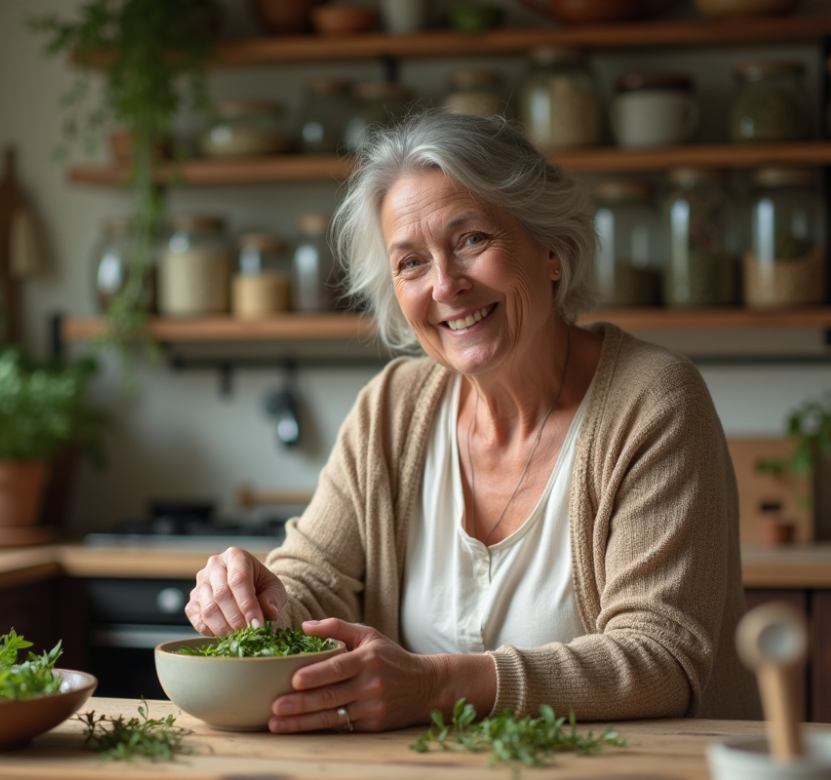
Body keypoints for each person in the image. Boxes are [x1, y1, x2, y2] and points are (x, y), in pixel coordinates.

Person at [185, 111, 760, 734]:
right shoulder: (391, 409)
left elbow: (663, 659)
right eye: (411, 263)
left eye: (471, 240)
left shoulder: (654, 401)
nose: (446, 285)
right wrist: (260, 599)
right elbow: (315, 584)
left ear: (550, 249)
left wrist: (436, 686)